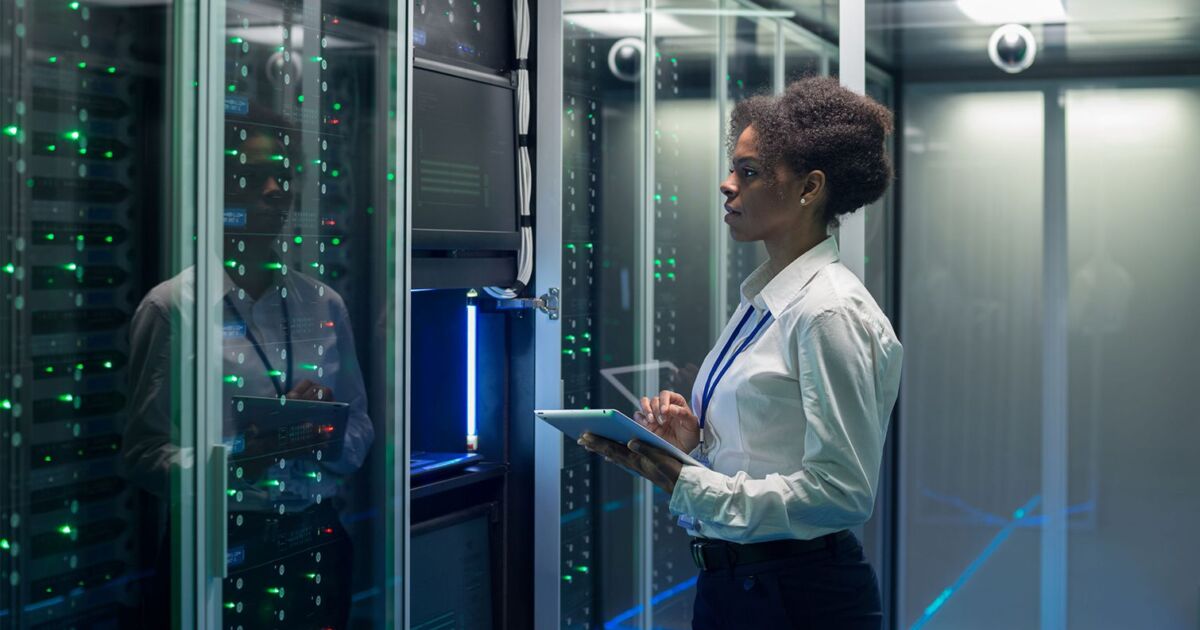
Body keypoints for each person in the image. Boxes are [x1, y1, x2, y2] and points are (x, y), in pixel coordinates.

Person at [579, 76, 903, 629]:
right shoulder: (766, 298)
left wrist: (691, 485)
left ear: (809, 188)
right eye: (733, 168)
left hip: (800, 597)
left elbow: (842, 494)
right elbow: (761, 454)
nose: (727, 185)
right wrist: (691, 447)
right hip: (737, 585)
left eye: (748, 173)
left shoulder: (828, 311)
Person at [121, 104, 373, 627]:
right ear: (218, 191)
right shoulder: (173, 308)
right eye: (255, 176)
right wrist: (240, 458)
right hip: (219, 543)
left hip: (316, 536)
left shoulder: (323, 304)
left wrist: (327, 430)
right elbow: (142, 455)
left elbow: (361, 429)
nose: (277, 190)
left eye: (283, 175)